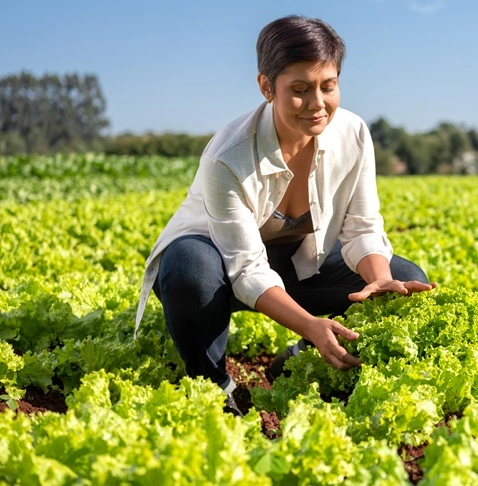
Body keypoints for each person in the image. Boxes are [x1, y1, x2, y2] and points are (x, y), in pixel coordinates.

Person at [133, 15, 436, 415]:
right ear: (266, 87)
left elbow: (362, 228)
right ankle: (214, 387)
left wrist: (378, 281)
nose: (317, 103)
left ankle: (300, 357)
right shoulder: (228, 156)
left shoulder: (353, 133)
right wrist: (309, 320)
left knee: (405, 278)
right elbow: (245, 268)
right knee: (188, 266)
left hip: (298, 262)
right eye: (299, 89)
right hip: (218, 264)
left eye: (328, 86)